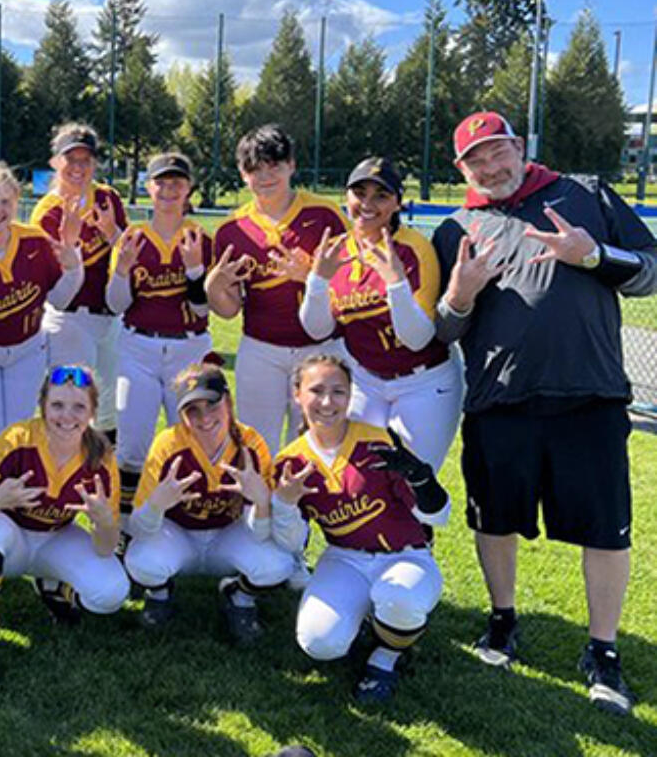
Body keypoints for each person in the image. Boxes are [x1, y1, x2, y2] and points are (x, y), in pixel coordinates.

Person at [432, 111, 657, 715]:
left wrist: (591, 256)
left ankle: (603, 650)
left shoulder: (584, 193)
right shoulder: (457, 228)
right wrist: (460, 295)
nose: (492, 165)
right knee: (494, 518)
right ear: (463, 170)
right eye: (476, 159)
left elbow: (649, 272)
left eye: (498, 150)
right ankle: (503, 620)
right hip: (500, 399)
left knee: (605, 528)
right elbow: (444, 329)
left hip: (589, 395)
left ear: (520, 146)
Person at [270, 355, 449, 703]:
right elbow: (291, 542)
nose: (326, 402)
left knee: (401, 599)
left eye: (338, 391)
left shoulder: (377, 441)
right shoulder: (291, 461)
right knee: (319, 642)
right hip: (344, 559)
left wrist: (421, 477)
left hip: (405, 556)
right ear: (296, 395)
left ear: (351, 396)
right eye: (316, 390)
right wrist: (285, 502)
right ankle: (376, 621)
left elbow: (438, 516)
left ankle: (387, 656)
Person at [0, 366, 128, 690]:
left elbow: (106, 547)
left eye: (79, 407)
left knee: (111, 592)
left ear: (93, 412)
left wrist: (104, 521)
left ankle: (51, 586)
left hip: (55, 538)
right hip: (11, 538)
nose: (67, 416)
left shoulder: (100, 456)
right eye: (58, 405)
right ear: (43, 406)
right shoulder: (16, 440)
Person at [297, 157, 462, 468]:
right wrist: (317, 281)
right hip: (366, 380)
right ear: (346, 197)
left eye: (381, 196)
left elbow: (417, 339)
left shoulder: (414, 248)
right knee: (357, 473)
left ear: (398, 204)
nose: (367, 204)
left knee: (414, 481)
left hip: (423, 381)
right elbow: (316, 330)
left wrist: (396, 283)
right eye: (359, 193)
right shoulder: (334, 251)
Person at [123, 363, 293, 643]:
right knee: (141, 561)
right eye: (193, 410)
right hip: (179, 538)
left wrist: (261, 500)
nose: (204, 419)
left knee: (278, 565)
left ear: (228, 401)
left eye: (212, 406)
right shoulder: (168, 445)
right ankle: (161, 594)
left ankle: (239, 597)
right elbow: (140, 530)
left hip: (228, 537)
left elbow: (261, 533)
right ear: (181, 415)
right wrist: (157, 504)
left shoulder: (250, 444)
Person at [206, 124, 347, 454]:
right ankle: (257, 508)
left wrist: (309, 275)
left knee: (314, 446)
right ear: (242, 174)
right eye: (255, 169)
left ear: (292, 166)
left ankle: (303, 508)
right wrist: (213, 288)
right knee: (257, 447)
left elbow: (349, 288)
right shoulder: (231, 229)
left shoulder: (324, 214)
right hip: (261, 349)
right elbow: (229, 309)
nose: (266, 177)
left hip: (320, 347)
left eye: (275, 166)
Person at [106, 152, 213, 521]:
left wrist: (195, 270)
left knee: (191, 437)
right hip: (138, 346)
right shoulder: (132, 238)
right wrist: (121, 271)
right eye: (161, 182)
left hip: (190, 346)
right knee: (132, 444)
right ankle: (122, 524)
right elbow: (116, 303)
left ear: (188, 189)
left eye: (177, 183)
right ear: (148, 187)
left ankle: (187, 520)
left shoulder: (201, 238)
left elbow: (204, 311)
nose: (169, 190)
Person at [0, 162, 84, 449]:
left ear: (16, 205)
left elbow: (59, 300)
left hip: (27, 350)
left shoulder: (34, 240)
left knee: (19, 434)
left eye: (5, 201)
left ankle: (15, 494)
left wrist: (73, 267)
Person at [30, 123, 128, 437]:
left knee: (110, 411)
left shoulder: (107, 198)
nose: (78, 167)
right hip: (70, 321)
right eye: (70, 159)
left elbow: (130, 254)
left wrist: (112, 233)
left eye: (85, 160)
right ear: (55, 163)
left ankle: (105, 476)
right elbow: (50, 281)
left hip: (111, 318)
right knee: (71, 406)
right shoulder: (47, 212)